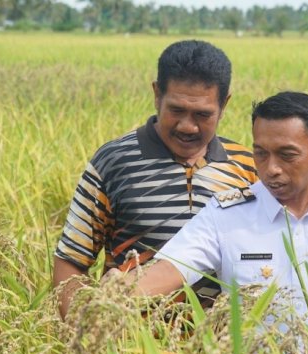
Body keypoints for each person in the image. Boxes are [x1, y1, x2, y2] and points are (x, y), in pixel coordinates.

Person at [106, 91, 308, 316]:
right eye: (261, 153)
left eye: (287, 155)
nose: (271, 169)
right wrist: (122, 290)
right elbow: (172, 269)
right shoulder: (225, 214)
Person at [53, 40, 258, 319]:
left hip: (220, 349)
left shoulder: (247, 167)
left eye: (202, 114)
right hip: (130, 348)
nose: (187, 126)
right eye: (176, 110)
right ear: (157, 95)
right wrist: (83, 338)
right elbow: (71, 262)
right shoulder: (113, 162)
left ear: (224, 105)